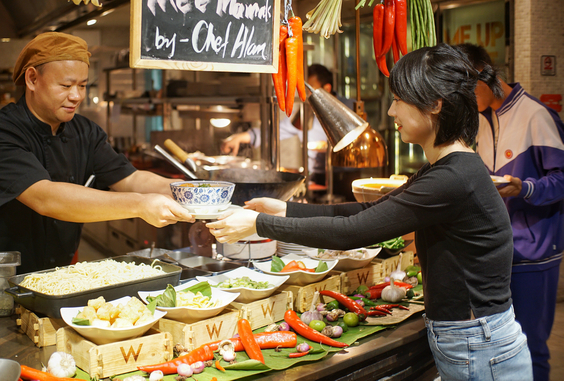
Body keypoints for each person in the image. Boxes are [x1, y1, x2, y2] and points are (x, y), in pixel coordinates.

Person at [207, 43, 533, 380]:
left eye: (399, 100)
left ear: (435, 104)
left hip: (478, 345)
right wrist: (286, 209)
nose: (391, 112)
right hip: (473, 340)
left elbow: (355, 231)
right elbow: (368, 210)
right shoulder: (449, 169)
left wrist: (261, 224)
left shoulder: (453, 178)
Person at [0, 32, 193, 273]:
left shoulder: (85, 131)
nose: (77, 96)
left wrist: (186, 193)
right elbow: (45, 198)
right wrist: (141, 205)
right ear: (32, 79)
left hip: (55, 275)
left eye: (82, 85)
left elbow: (130, 178)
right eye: (66, 85)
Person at [457, 42, 564, 381]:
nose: (465, 100)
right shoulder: (483, 120)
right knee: (506, 350)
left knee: (532, 349)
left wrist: (526, 188)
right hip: (500, 251)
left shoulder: (536, 115)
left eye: (466, 90)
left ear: (482, 76)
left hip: (535, 253)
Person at [220, 64, 351, 186]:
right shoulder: (306, 112)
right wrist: (239, 137)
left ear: (327, 88)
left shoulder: (350, 108)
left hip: (347, 177)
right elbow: (276, 132)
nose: (304, 95)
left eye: (309, 90)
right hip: (317, 179)